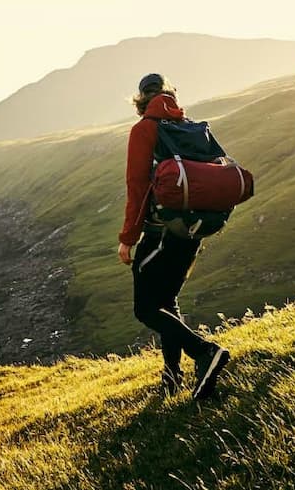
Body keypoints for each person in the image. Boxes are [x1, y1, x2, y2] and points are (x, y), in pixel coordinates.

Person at [118, 73, 230, 399]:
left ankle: (204, 352)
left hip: (160, 233)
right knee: (167, 301)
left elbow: (137, 187)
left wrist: (128, 238)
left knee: (145, 308)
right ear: (171, 96)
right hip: (192, 230)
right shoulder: (191, 126)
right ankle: (172, 377)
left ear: (140, 100)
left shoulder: (144, 129)